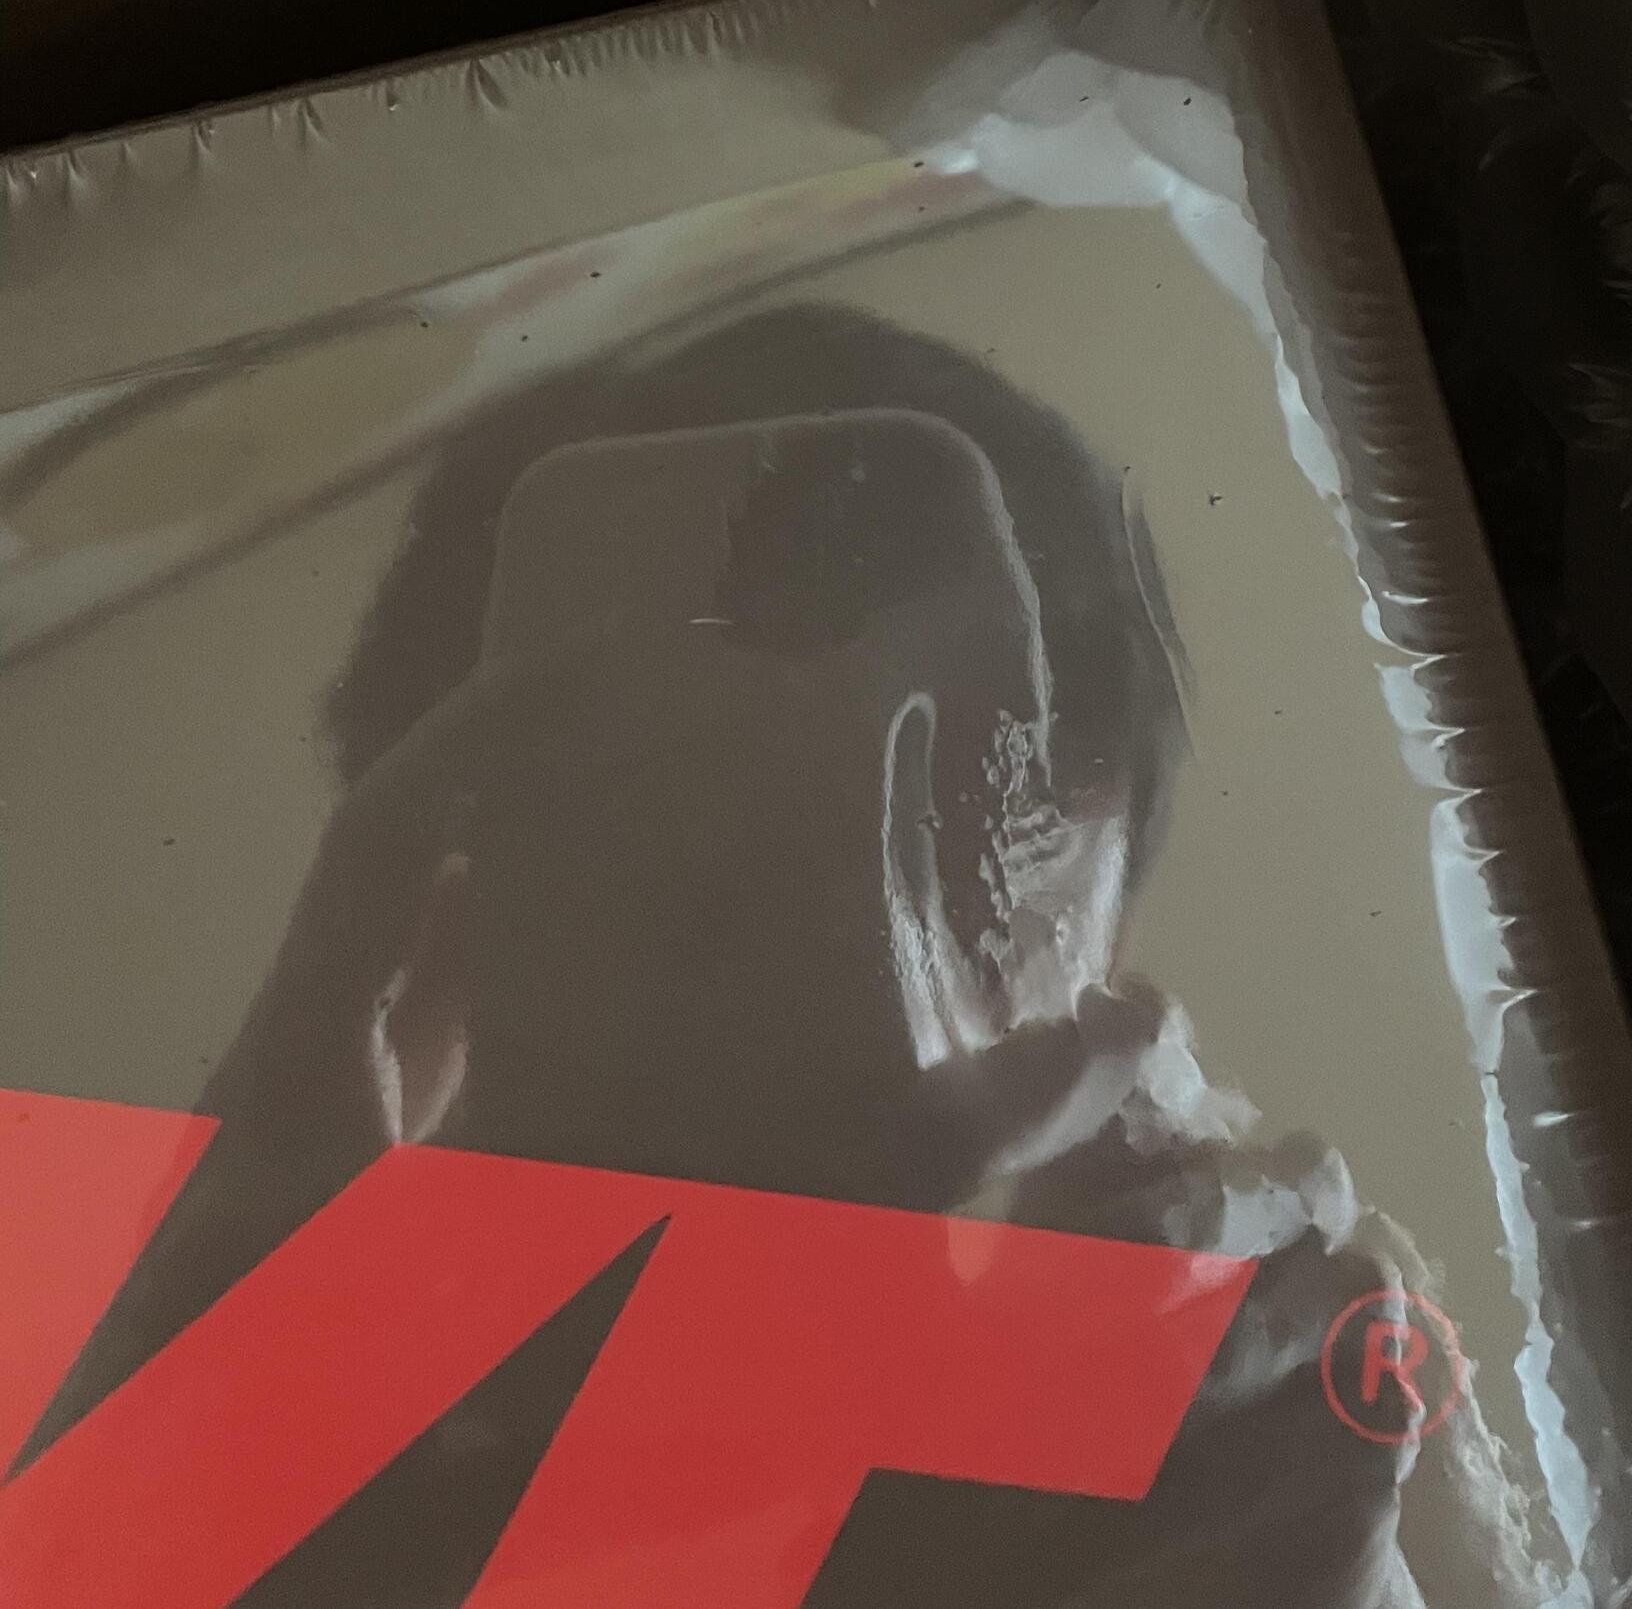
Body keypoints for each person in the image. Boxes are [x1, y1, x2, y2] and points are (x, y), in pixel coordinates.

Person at [36, 304, 1486, 1605]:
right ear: (438, 948)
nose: (833, 1034)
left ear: (1106, 985)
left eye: (966, 920)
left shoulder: (1252, 1428)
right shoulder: (230, 1474)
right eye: (691, 901)